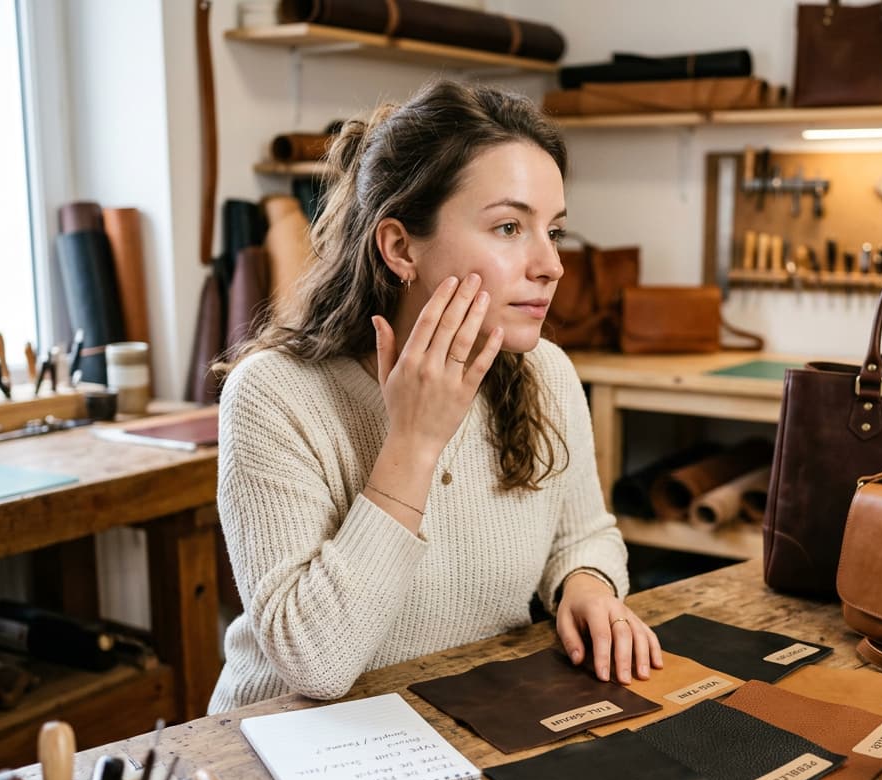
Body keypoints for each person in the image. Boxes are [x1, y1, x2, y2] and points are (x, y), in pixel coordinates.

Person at [208, 79, 662, 714]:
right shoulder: (274, 395)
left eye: (553, 231)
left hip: (466, 720)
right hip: (287, 749)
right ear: (400, 247)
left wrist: (586, 585)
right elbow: (317, 665)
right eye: (509, 227)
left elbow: (583, 535)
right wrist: (414, 442)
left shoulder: (545, 373)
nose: (550, 265)